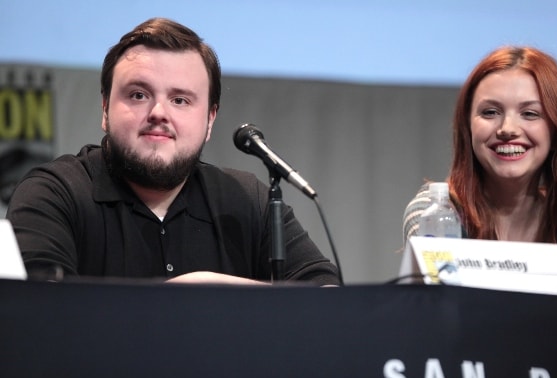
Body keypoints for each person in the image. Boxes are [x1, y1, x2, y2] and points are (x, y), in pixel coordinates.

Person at [6, 17, 340, 286]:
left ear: (210, 120)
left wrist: (214, 289)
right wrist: (174, 305)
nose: (159, 112)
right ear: (105, 109)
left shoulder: (247, 200)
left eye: (180, 100)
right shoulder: (54, 192)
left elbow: (326, 295)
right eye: (138, 94)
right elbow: (41, 313)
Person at [402, 46, 557, 300]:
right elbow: (435, 318)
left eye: (530, 113)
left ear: (556, 128)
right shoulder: (437, 212)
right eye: (490, 112)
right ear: (467, 126)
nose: (508, 129)